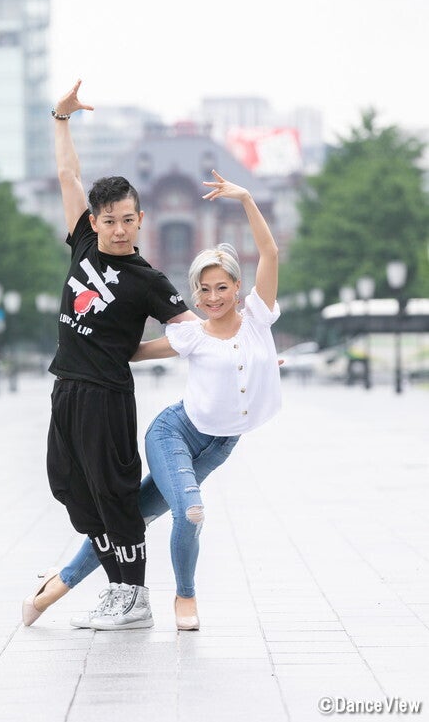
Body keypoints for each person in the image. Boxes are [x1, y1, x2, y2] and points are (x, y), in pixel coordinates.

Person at [23, 169, 281, 631]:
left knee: (130, 515)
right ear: (195, 295)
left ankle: (57, 586)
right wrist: (100, 349)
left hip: (220, 443)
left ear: (238, 288)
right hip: (174, 432)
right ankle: (183, 598)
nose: (213, 297)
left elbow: (270, 253)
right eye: (204, 290)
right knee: (189, 511)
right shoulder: (195, 335)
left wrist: (245, 197)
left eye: (222, 288)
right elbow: (139, 350)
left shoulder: (258, 323)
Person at [22, 81, 194, 631]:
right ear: (94, 221)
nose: (119, 230)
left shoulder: (149, 280)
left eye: (128, 219)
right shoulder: (82, 242)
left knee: (113, 494)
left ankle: (133, 595)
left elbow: (191, 335)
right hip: (67, 388)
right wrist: (61, 118)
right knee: (70, 487)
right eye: (109, 220)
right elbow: (68, 175)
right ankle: (117, 589)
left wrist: (135, 353)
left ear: (140, 219)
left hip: (106, 396)